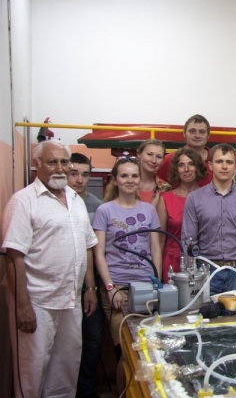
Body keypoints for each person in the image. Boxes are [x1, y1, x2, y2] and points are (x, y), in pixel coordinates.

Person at [2, 140, 98, 398]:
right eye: (51, 162)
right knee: (31, 374)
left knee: (66, 370)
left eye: (64, 162)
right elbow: (13, 256)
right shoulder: (24, 201)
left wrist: (90, 289)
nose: (59, 168)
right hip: (37, 303)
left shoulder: (75, 199)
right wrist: (22, 306)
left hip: (70, 300)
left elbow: (87, 246)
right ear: (37, 164)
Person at [92, 157, 162, 390]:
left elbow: (155, 248)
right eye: (124, 176)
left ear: (140, 180)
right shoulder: (104, 210)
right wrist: (110, 288)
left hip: (146, 288)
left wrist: (157, 284)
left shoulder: (149, 210)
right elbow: (99, 253)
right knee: (127, 351)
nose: (130, 180)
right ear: (115, 180)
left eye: (134, 176)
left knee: (147, 350)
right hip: (118, 288)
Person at [181, 143, 236, 294]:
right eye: (219, 161)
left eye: (229, 162)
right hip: (206, 272)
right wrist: (190, 276)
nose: (224, 166)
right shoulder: (194, 199)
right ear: (210, 165)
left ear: (235, 166)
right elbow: (188, 241)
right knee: (205, 310)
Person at [68, 153, 105, 398]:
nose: (79, 180)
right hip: (66, 283)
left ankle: (86, 392)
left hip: (92, 283)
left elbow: (96, 248)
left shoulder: (97, 206)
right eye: (74, 174)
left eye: (85, 174)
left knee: (92, 340)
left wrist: (92, 287)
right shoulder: (58, 203)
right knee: (67, 344)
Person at [157, 148, 207, 282]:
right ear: (176, 169)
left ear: (198, 167)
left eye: (191, 164)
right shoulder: (165, 199)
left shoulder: (208, 197)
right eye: (181, 165)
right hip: (173, 259)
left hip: (201, 259)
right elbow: (160, 240)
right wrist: (157, 272)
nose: (186, 169)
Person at [157, 114, 213, 187]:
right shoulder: (169, 159)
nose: (197, 136)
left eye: (202, 132)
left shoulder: (217, 160)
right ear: (184, 134)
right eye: (192, 131)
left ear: (208, 135)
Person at [137, 139, 170, 207]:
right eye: (149, 154)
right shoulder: (124, 182)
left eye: (159, 157)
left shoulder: (165, 188)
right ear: (139, 154)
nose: (154, 160)